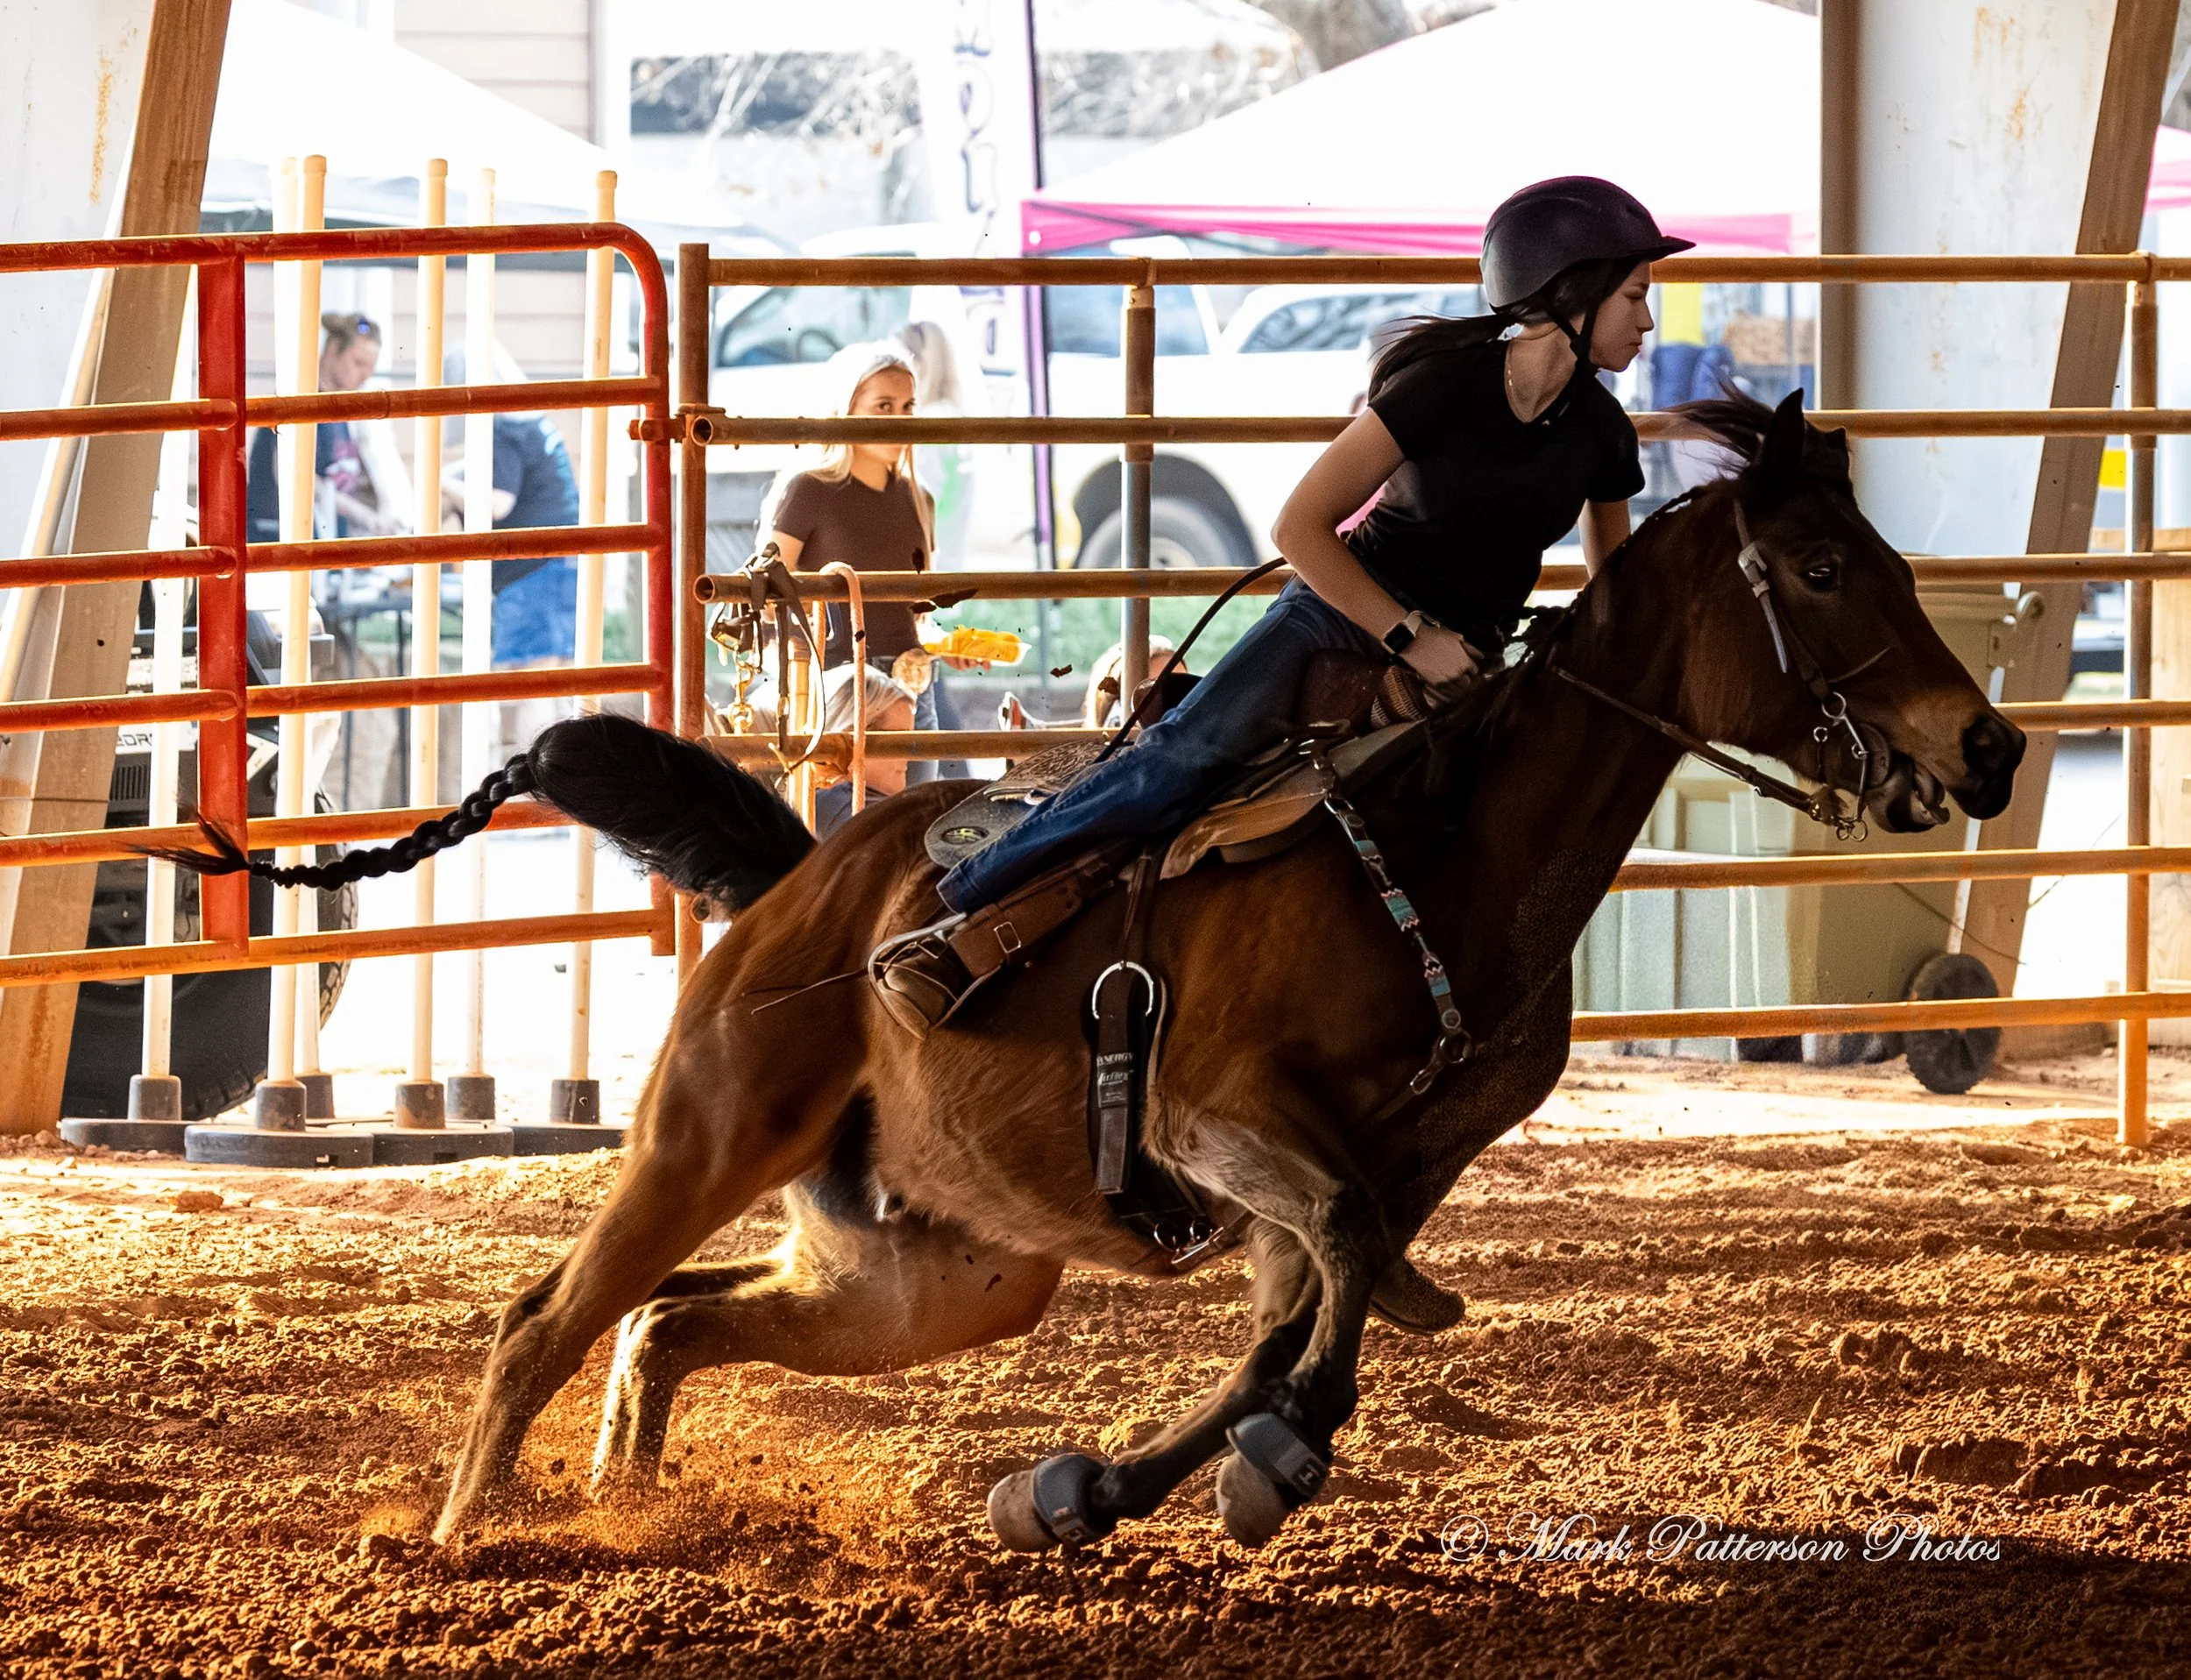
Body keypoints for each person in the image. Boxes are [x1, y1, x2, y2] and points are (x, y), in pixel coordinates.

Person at [871, 176, 1689, 1034]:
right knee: (1184, 758)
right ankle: (955, 915)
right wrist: (1409, 636)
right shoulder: (1443, 385)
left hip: (1467, 662)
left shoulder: (1603, 434)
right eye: (1634, 294)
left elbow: (1615, 590)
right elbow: (1300, 527)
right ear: (1570, 292)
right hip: (1341, 616)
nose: (1645, 320)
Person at [756, 343, 981, 783]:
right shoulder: (807, 490)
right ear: (846, 409)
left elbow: (918, 611)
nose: (900, 420)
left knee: (912, 827)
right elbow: (765, 594)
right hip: (837, 689)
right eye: (883, 406)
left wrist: (947, 645)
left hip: (914, 689)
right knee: (840, 828)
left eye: (907, 406)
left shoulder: (920, 499)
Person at [245, 313, 408, 541]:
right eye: (358, 363)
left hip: (328, 547)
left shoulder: (340, 411)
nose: (364, 376)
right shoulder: (299, 402)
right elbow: (292, 474)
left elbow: (343, 480)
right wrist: (364, 516)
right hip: (283, 541)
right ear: (332, 350)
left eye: (370, 368)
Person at [728, 663, 919, 840]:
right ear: (847, 734)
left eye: (910, 738)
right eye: (896, 739)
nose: (908, 753)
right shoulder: (839, 804)